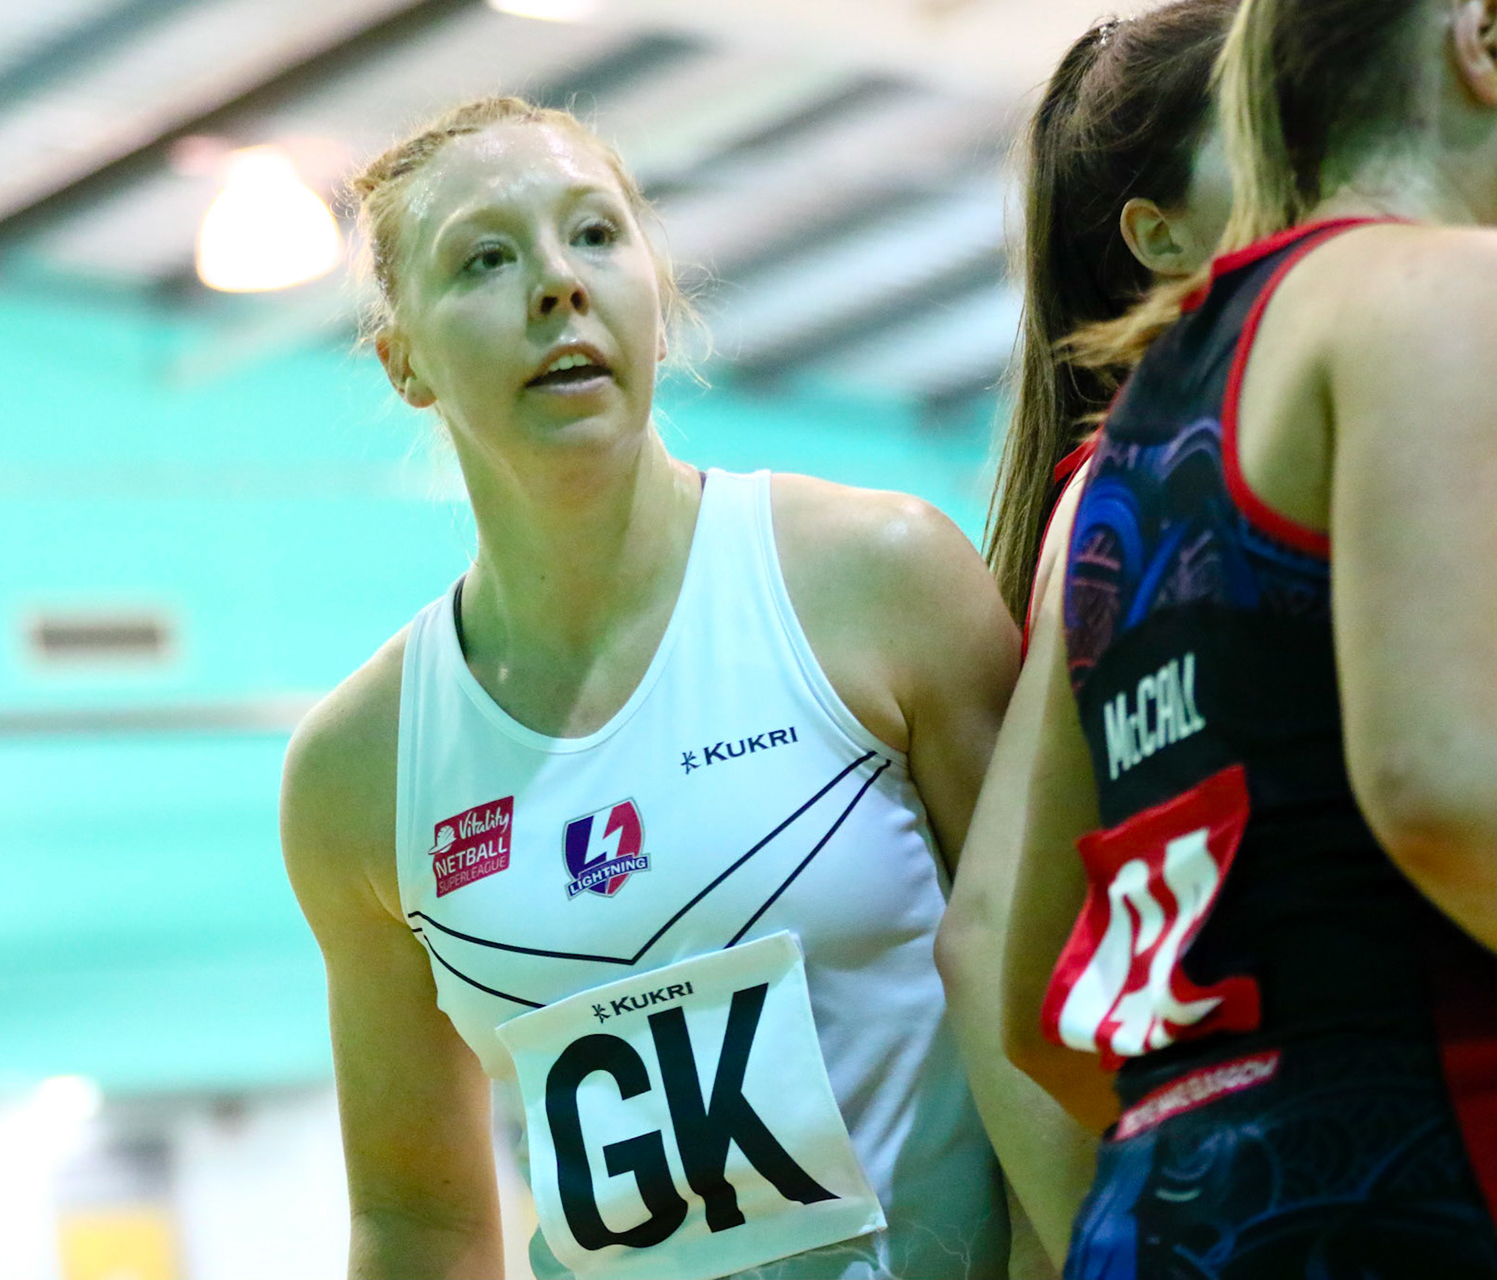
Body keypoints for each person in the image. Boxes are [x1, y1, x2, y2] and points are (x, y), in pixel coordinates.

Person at [281, 96, 1019, 1279]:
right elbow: (419, 1221)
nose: (557, 284)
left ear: (658, 302)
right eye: (485, 257)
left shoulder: (882, 578)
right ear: (402, 358)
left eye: (595, 234)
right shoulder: (359, 770)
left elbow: (1057, 1007)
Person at [1000, 0, 1497, 1273]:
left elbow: (1032, 990)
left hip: (1168, 1212)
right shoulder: (1436, 287)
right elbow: (1443, 788)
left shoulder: (1123, 442)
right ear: (1481, 37)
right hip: (1421, 1185)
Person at [934, 0, 1236, 1267]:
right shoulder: (1140, 497)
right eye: (1267, 128)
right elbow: (986, 935)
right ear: (1159, 234)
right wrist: (1093, 1243)